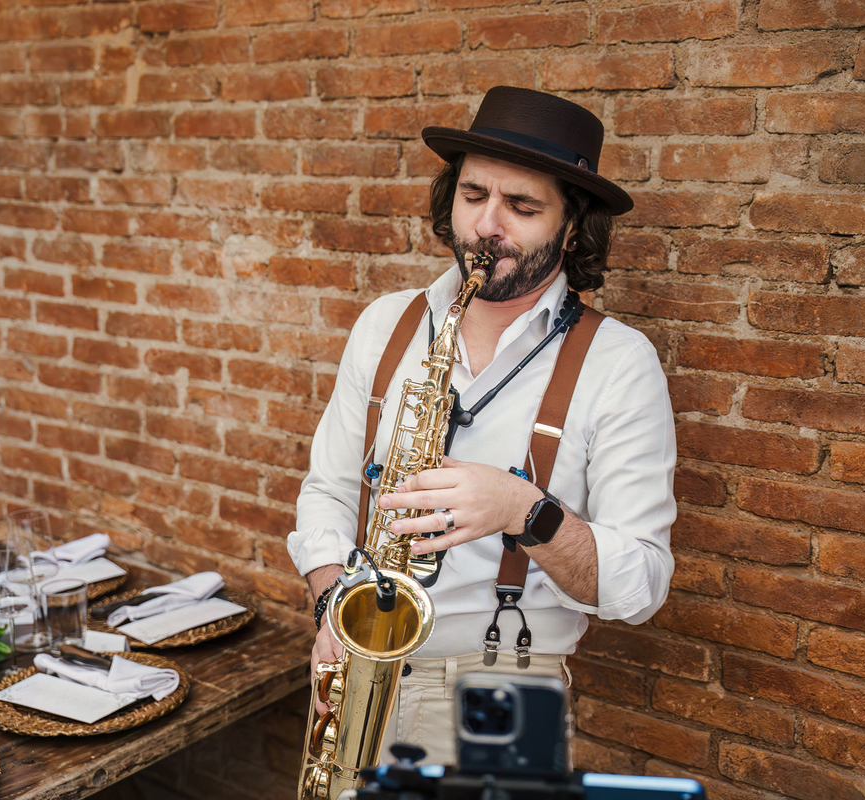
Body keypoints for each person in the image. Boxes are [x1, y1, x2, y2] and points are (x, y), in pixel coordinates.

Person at [286, 86, 676, 766]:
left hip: (504, 690)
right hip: (355, 669)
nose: (485, 226)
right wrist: (330, 609)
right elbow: (327, 492)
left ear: (573, 226)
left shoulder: (619, 363)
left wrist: (521, 508)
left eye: (521, 206)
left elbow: (641, 586)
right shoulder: (387, 324)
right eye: (473, 197)